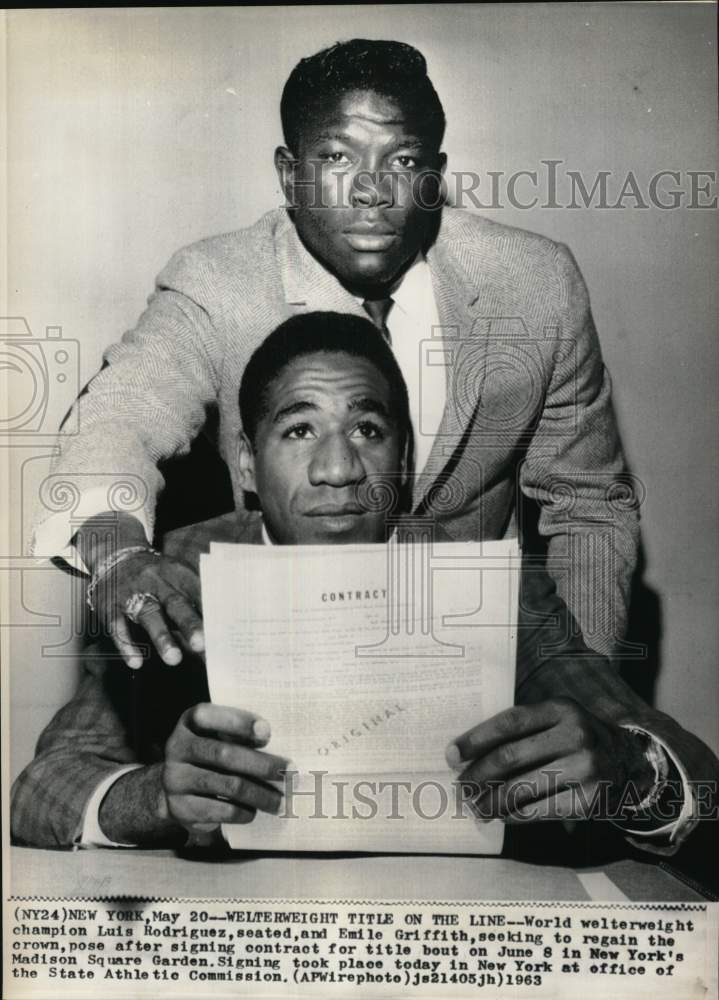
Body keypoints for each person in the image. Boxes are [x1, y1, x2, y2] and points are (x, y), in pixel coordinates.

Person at [13, 314, 716, 857]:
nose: (338, 469)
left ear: (402, 459)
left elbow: (698, 778)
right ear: (247, 464)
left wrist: (633, 770)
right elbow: (39, 788)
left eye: (368, 430)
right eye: (298, 430)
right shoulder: (179, 572)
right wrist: (158, 798)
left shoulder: (480, 581)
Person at [33, 38, 638, 670]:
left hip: (475, 658)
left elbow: (590, 506)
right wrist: (118, 553)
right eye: (337, 157)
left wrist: (580, 684)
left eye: (403, 159)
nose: (373, 191)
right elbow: (121, 413)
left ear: (434, 177)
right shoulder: (218, 283)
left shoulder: (535, 283)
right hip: (280, 653)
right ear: (289, 175)